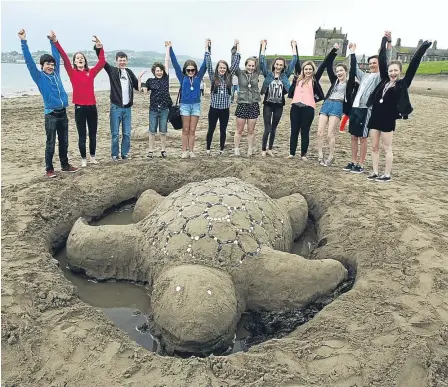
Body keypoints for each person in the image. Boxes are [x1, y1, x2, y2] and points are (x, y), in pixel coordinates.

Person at [366, 39, 432, 182]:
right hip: (375, 116)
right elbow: (382, 59)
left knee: (386, 147)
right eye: (391, 70)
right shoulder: (384, 80)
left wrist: (424, 47)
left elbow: (414, 64)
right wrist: (384, 41)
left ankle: (387, 174)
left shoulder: (403, 84)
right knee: (374, 146)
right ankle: (375, 171)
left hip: (388, 119)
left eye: (396, 70)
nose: (393, 72)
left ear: (400, 72)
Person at [18, 29, 78, 178]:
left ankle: (65, 165)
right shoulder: (39, 77)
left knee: (64, 142)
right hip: (50, 114)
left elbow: (56, 56)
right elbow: (29, 62)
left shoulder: (56, 73)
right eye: (47, 64)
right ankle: (49, 170)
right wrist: (23, 41)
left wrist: (53, 41)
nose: (51, 66)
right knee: (50, 143)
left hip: (63, 113)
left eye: (52, 64)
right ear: (42, 66)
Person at [342, 31, 392, 173]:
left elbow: (385, 60)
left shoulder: (381, 76)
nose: (371, 65)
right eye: (370, 63)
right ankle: (353, 161)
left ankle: (361, 164)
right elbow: (355, 68)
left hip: (366, 109)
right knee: (353, 137)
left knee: (363, 137)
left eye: (374, 63)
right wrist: (352, 52)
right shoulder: (365, 76)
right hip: (355, 108)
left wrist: (388, 42)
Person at [54, 33, 105, 167]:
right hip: (79, 108)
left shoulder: (91, 72)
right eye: (77, 58)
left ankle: (93, 157)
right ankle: (83, 159)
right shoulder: (72, 72)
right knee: (82, 135)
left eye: (82, 58)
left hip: (92, 107)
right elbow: (64, 58)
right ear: (75, 62)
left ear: (85, 61)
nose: (80, 59)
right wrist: (56, 42)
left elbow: (101, 63)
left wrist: (100, 48)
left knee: (92, 134)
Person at [94, 45, 139, 161]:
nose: (122, 62)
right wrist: (98, 49)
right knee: (115, 134)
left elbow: (137, 85)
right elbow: (102, 61)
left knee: (127, 134)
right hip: (116, 108)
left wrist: (144, 84)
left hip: (127, 108)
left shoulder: (129, 72)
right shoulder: (112, 71)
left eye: (124, 60)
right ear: (116, 61)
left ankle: (124, 154)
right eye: (120, 60)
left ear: (127, 61)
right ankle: (115, 155)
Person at [287, 43, 331, 160]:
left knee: (305, 131)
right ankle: (292, 153)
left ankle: (303, 154)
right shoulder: (297, 78)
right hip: (295, 107)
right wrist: (295, 47)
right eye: (306, 69)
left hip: (308, 108)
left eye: (310, 69)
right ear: (303, 70)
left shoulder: (314, 79)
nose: (307, 71)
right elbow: (297, 61)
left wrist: (334, 50)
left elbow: (323, 64)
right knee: (294, 130)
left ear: (313, 70)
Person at [316, 43, 356, 166]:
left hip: (338, 105)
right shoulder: (334, 81)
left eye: (341, 71)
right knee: (319, 132)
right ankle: (320, 155)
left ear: (345, 72)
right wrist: (334, 50)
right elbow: (327, 64)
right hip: (327, 104)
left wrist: (352, 52)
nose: (339, 73)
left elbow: (353, 69)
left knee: (330, 134)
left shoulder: (349, 82)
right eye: (337, 71)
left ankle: (331, 155)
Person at [259, 39, 298, 157]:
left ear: (283, 66)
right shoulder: (268, 74)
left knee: (274, 128)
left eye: (281, 65)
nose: (279, 67)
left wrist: (294, 46)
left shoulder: (285, 75)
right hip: (268, 104)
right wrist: (263, 46)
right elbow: (261, 62)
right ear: (274, 65)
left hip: (279, 105)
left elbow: (294, 61)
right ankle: (263, 149)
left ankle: (270, 149)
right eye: (277, 64)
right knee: (267, 127)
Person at [169, 42, 207, 158]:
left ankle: (191, 151)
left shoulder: (198, 77)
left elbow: (205, 65)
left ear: (195, 70)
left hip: (196, 106)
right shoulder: (182, 77)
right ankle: (184, 151)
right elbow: (175, 64)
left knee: (192, 130)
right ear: (185, 70)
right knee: (185, 129)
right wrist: (170, 48)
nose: (191, 72)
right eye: (188, 70)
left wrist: (207, 48)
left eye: (193, 70)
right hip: (184, 106)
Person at [205, 39, 241, 156]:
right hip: (214, 108)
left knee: (223, 130)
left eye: (224, 68)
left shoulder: (229, 77)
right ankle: (208, 148)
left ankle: (221, 149)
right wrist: (207, 48)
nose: (222, 69)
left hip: (225, 109)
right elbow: (208, 63)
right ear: (217, 68)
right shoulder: (212, 77)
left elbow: (235, 64)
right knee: (211, 129)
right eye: (220, 67)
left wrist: (237, 48)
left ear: (226, 69)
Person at [138, 41, 172, 159]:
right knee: (152, 131)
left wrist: (167, 48)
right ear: (154, 71)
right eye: (157, 70)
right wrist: (139, 78)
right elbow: (142, 90)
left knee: (163, 131)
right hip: (153, 109)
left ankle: (163, 150)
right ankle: (151, 150)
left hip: (164, 109)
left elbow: (167, 62)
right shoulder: (150, 81)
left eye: (161, 70)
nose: (160, 72)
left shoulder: (166, 79)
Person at [233, 42, 262, 156]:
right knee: (239, 130)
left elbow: (262, 60)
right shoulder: (239, 73)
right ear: (245, 65)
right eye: (249, 65)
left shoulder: (256, 74)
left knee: (251, 131)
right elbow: (234, 65)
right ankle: (236, 148)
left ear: (255, 67)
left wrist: (262, 47)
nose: (250, 67)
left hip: (253, 104)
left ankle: (250, 149)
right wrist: (236, 50)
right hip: (242, 104)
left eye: (252, 66)